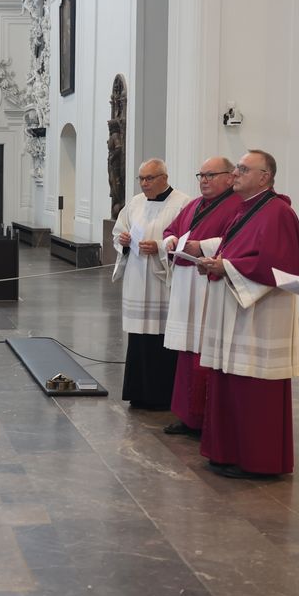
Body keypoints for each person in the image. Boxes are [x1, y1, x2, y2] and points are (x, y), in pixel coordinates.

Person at [195, 150, 299, 478]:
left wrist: (225, 266)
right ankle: (227, 451)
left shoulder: (278, 213)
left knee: (253, 387)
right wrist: (215, 262)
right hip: (236, 308)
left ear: (265, 176)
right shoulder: (246, 210)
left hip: (261, 316)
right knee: (230, 382)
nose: (236, 174)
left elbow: (277, 264)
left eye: (243, 170)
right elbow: (233, 251)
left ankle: (257, 460)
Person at [161, 157, 242, 436]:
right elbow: (171, 230)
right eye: (201, 175)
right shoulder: (194, 205)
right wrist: (170, 241)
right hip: (186, 285)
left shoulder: (238, 205)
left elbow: (237, 241)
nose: (204, 180)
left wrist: (203, 247)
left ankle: (204, 420)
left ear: (230, 177)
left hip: (209, 284)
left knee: (203, 352)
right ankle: (186, 416)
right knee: (186, 352)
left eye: (211, 174)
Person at [111, 159, 191, 409]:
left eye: (149, 178)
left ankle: (162, 396)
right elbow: (119, 231)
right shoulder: (135, 203)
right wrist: (123, 241)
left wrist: (158, 247)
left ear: (164, 178)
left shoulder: (183, 203)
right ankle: (139, 392)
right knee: (139, 339)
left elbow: (185, 239)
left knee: (161, 338)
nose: (144, 183)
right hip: (137, 277)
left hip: (162, 281)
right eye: (141, 178)